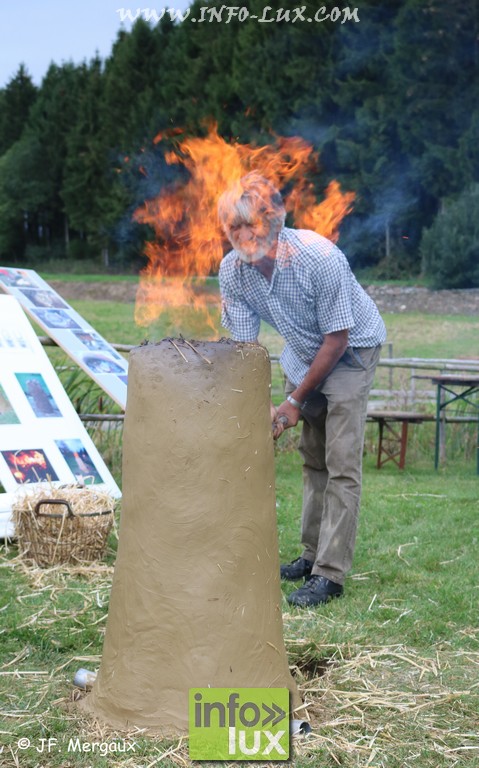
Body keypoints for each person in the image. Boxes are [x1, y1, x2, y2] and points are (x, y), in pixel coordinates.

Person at [218, 172, 386, 607]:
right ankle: (311, 557)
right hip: (304, 354)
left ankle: (330, 575)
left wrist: (292, 401)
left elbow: (337, 339)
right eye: (232, 227)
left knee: (341, 463)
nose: (240, 236)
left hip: (350, 352)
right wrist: (250, 406)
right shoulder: (232, 272)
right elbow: (244, 348)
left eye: (249, 225)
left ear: (272, 223)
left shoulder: (319, 257)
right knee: (313, 462)